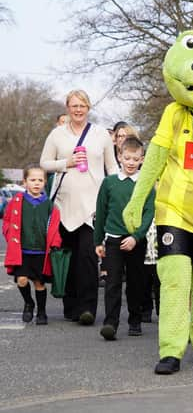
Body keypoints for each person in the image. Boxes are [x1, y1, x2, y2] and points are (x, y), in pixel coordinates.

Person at [40, 89, 118, 325]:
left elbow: (112, 167)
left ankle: (88, 309)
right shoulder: (57, 135)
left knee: (87, 258)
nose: (78, 109)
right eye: (74, 105)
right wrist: (67, 163)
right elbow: (44, 163)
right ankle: (71, 306)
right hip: (64, 205)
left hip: (92, 207)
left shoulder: (100, 135)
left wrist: (115, 193)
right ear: (67, 107)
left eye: (82, 105)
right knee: (68, 258)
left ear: (88, 107)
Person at [94, 137, 155, 340]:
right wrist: (98, 241)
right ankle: (110, 323)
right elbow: (101, 212)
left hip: (135, 241)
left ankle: (135, 320)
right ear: (119, 156)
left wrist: (136, 237)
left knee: (136, 283)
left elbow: (148, 213)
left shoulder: (145, 185)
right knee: (112, 283)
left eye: (135, 159)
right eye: (127, 157)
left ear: (142, 159)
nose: (130, 162)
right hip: (113, 240)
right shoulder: (109, 182)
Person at [2, 164, 62, 325]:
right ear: (25, 182)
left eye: (40, 180)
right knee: (21, 279)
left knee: (39, 283)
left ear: (45, 183)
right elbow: (7, 221)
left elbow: (55, 227)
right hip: (22, 251)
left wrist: (55, 243)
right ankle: (29, 303)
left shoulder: (49, 204)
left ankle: (41, 312)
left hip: (41, 251)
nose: (36, 183)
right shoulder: (17, 201)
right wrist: (10, 236)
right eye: (32, 180)